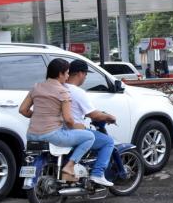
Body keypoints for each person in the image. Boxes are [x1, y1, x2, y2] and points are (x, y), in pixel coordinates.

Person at [18, 58, 95, 182]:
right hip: (52, 135)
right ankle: (69, 167)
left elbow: (23, 110)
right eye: (67, 73)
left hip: (32, 135)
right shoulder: (63, 91)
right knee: (89, 137)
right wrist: (78, 126)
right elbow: (68, 120)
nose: (68, 76)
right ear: (60, 74)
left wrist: (40, 117)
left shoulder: (36, 87)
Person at [64, 59, 117, 187]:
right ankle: (97, 174)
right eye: (86, 75)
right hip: (74, 131)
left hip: (57, 130)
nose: (85, 78)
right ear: (80, 74)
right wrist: (109, 116)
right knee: (108, 142)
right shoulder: (77, 92)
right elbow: (93, 114)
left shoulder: (59, 88)